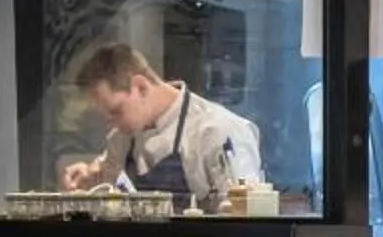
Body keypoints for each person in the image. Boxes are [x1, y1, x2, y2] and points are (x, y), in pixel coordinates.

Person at [61, 43, 263, 209]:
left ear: (140, 87)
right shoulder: (121, 138)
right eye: (104, 116)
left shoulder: (219, 131)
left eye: (115, 111)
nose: (111, 124)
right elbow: (109, 179)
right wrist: (90, 178)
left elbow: (246, 215)